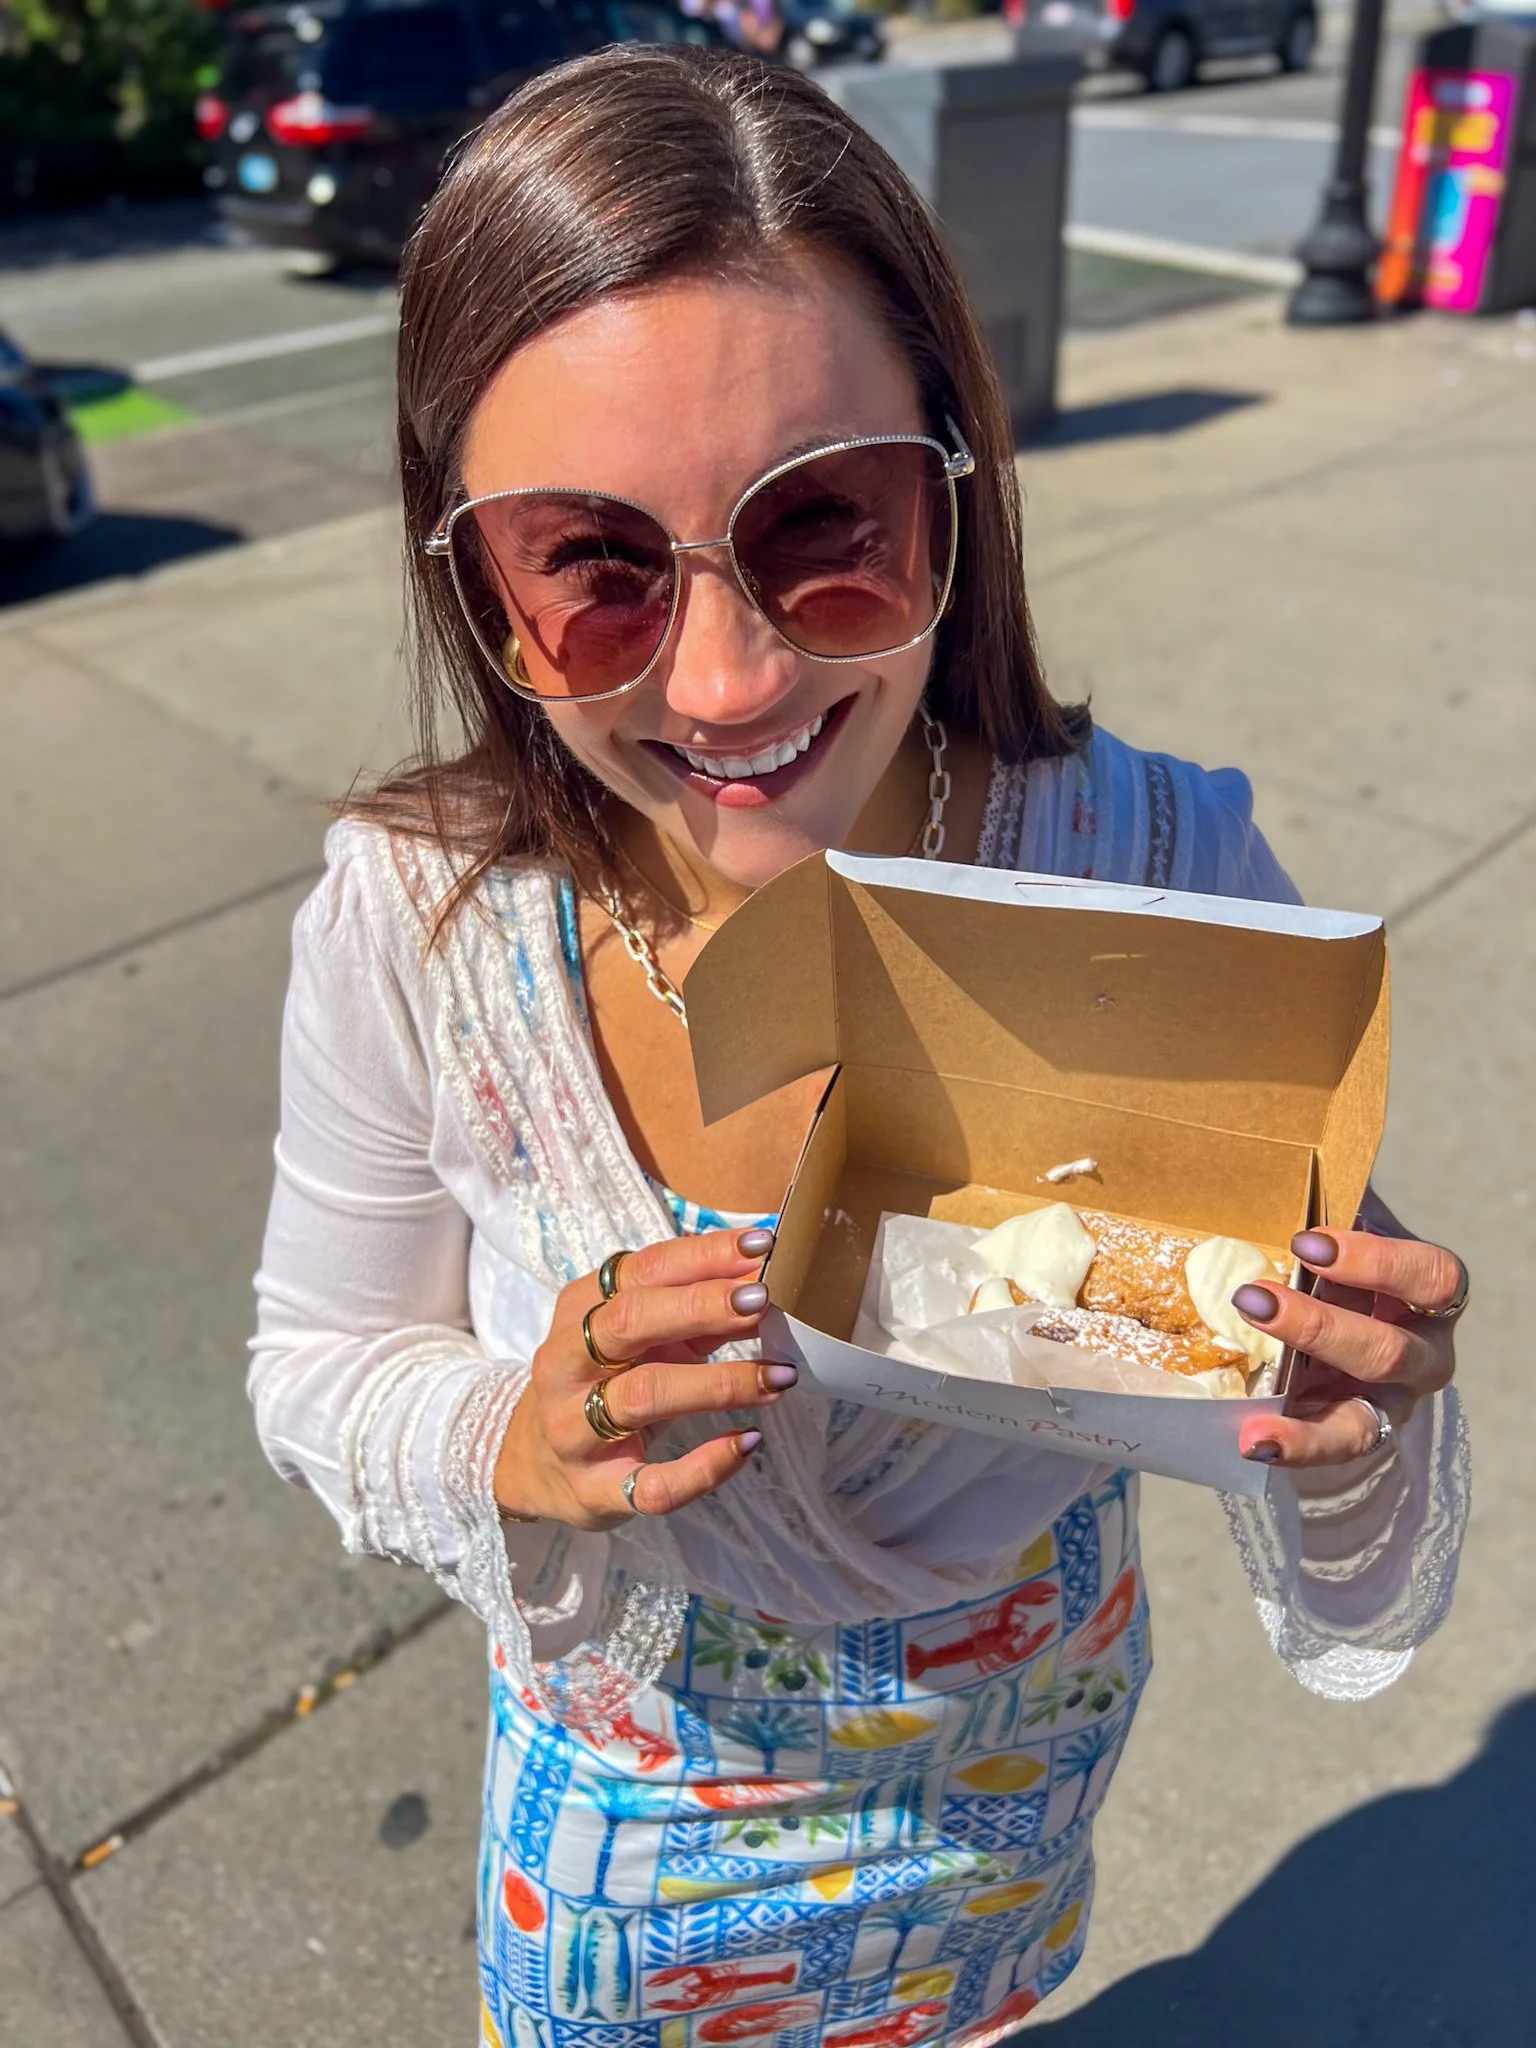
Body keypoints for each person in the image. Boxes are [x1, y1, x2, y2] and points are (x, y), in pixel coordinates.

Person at [250, 46, 1470, 2048]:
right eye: (596, 565)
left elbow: (1316, 1455)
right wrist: (511, 1433)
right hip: (630, 1830)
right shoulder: (418, 922)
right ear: (472, 586)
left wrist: (1363, 1408)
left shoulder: (1160, 870)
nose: (727, 678)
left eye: (830, 521)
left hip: (1009, 1788)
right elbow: (315, 1358)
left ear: (958, 490)